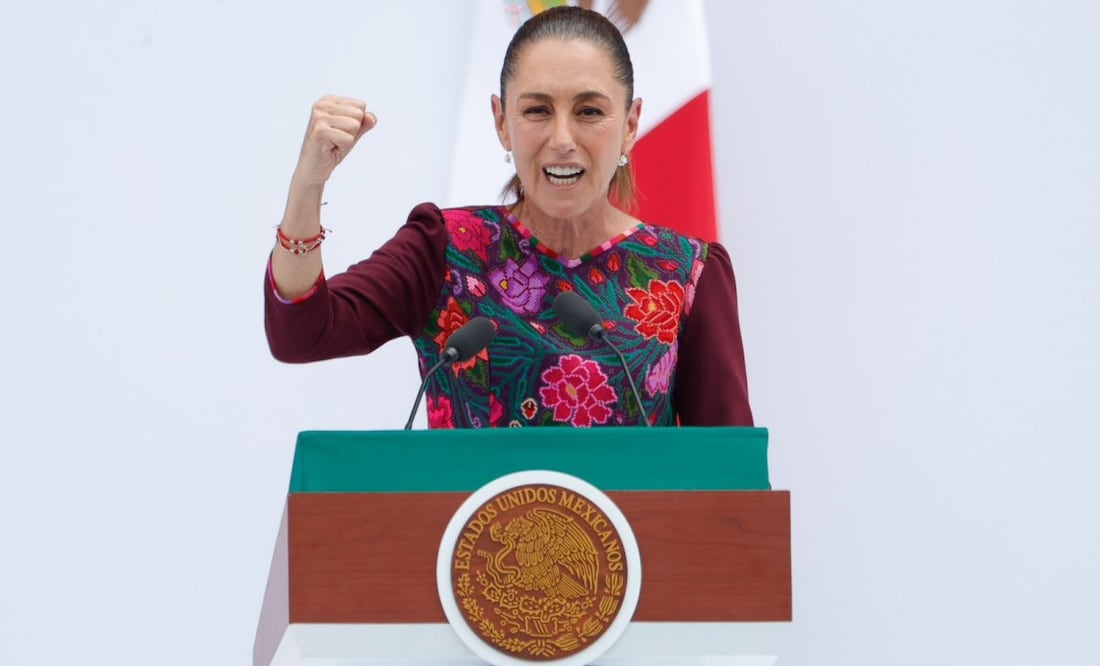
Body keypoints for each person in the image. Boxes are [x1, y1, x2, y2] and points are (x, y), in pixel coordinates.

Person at [265, 6, 753, 428]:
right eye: (538, 110)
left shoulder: (687, 272)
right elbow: (301, 331)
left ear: (629, 125)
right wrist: (308, 185)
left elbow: (733, 480)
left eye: (588, 111)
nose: (562, 138)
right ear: (502, 123)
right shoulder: (445, 248)